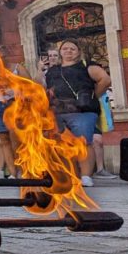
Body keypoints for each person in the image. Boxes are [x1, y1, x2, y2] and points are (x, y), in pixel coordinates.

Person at [45, 39, 111, 186]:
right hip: (58, 112)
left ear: (78, 51)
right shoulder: (53, 70)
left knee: (83, 142)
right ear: (60, 52)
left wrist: (94, 95)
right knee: (61, 144)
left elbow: (105, 80)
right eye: (65, 49)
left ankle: (86, 176)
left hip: (82, 111)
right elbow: (45, 88)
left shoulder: (86, 66)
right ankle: (71, 174)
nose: (68, 51)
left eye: (72, 49)